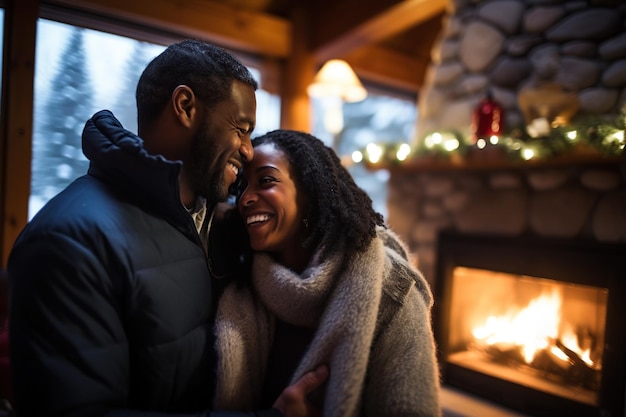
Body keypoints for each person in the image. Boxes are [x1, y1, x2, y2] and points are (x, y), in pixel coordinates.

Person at [7, 40, 327, 417]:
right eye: (240, 128)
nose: (248, 149)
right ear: (185, 107)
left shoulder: (220, 220)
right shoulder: (68, 242)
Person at [212, 130, 442, 417]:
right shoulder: (241, 279)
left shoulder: (393, 292)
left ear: (310, 190)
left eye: (266, 181)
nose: (245, 199)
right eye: (242, 187)